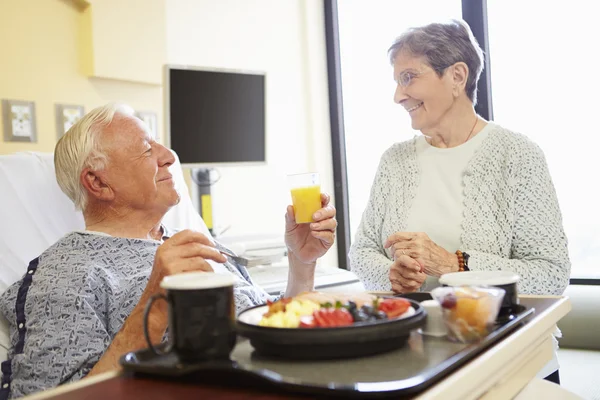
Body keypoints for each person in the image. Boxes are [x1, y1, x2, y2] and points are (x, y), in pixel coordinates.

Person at [0, 103, 337, 398]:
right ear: (98, 183)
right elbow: (51, 397)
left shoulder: (193, 244)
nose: (170, 157)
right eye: (148, 150)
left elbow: (273, 330)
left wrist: (302, 262)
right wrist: (155, 304)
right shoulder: (68, 270)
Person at [348, 19, 569, 384]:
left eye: (408, 78)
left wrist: (455, 264)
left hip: (515, 361)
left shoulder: (517, 155)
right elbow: (363, 252)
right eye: (396, 81)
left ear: (457, 76)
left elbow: (550, 274)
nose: (398, 96)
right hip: (423, 362)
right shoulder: (394, 160)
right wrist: (393, 274)